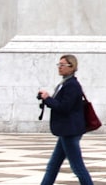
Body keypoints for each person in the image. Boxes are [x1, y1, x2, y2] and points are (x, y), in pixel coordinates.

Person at [38, 54, 94, 185]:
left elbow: (64, 107)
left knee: (77, 167)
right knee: (53, 166)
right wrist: (48, 99)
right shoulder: (65, 83)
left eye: (63, 65)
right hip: (66, 130)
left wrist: (48, 99)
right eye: (59, 65)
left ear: (72, 67)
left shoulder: (72, 85)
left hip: (70, 130)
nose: (60, 67)